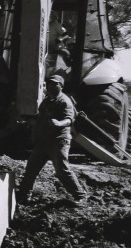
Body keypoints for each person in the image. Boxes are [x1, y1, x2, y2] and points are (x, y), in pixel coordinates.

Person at [16, 74, 85, 204]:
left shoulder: (65, 101)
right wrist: (27, 121)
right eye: (50, 84)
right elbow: (40, 116)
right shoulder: (47, 100)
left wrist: (59, 123)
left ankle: (80, 196)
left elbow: (69, 119)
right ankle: (24, 195)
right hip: (43, 142)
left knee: (62, 170)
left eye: (55, 84)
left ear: (61, 86)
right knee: (31, 168)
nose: (52, 86)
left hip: (58, 141)